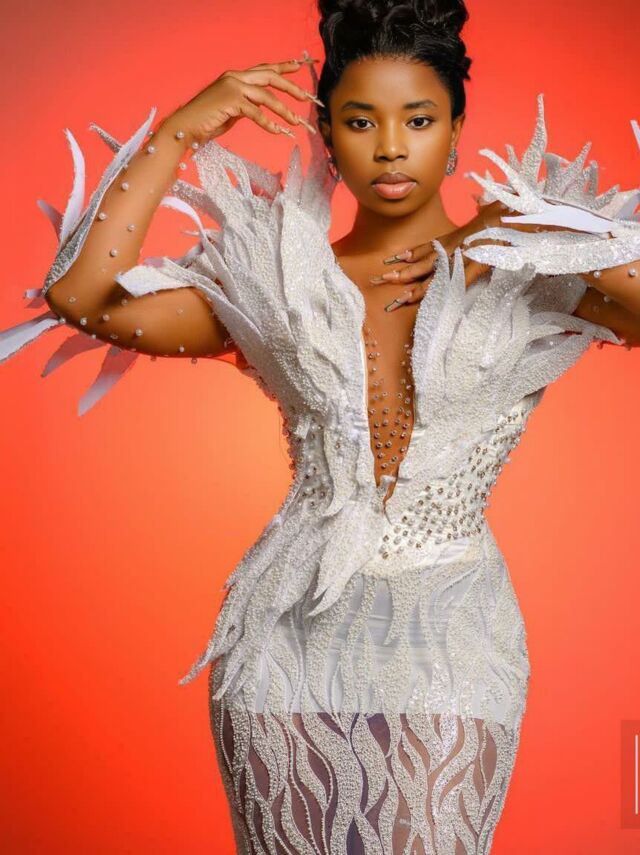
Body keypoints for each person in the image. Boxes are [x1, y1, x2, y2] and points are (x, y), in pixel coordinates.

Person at [2, 0, 640, 851]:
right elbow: (83, 297)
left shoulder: (527, 271)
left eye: (419, 119)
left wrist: (536, 228)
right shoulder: (280, 282)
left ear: (456, 130)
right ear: (327, 135)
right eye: (360, 121)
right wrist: (183, 130)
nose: (390, 147)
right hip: (284, 643)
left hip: (453, 630)